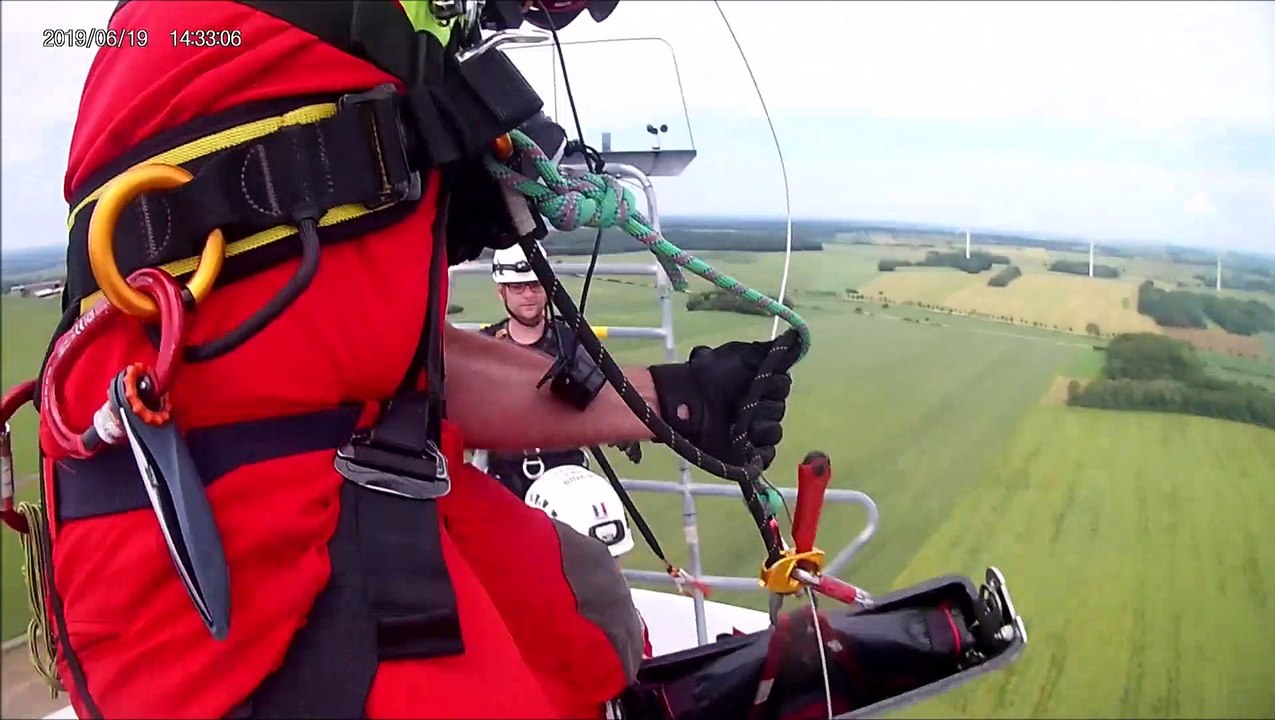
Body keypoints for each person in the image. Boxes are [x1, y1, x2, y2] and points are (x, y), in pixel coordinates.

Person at [38, 2, 801, 719]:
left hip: (340, 486)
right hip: (227, 603)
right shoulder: (266, 52)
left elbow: (395, 366)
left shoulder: (318, 75)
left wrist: (672, 402)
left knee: (591, 609)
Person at [479, 242, 644, 498]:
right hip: (505, 479)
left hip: (567, 474)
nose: (528, 294)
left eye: (535, 284)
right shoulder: (485, 349)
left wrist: (619, 427)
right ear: (502, 292)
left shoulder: (572, 343)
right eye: (517, 286)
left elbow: (602, 395)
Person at [523, 465, 653, 659]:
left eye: (613, 560)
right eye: (593, 565)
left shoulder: (630, 624)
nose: (608, 577)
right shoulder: (530, 631)